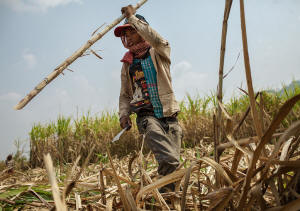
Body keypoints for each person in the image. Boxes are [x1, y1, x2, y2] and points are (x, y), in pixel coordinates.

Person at [115, 5, 183, 192]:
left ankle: (162, 199)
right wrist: (123, 115)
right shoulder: (128, 63)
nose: (127, 36)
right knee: (170, 160)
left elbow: (157, 39)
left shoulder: (159, 52)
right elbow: (125, 94)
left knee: (173, 169)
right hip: (147, 117)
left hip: (169, 115)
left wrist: (133, 18)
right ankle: (157, 194)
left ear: (141, 30)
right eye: (125, 34)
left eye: (131, 31)